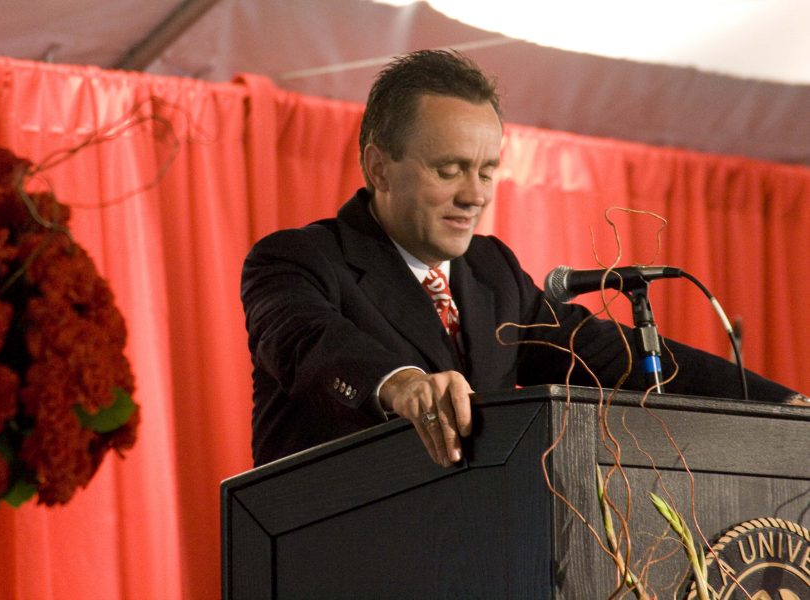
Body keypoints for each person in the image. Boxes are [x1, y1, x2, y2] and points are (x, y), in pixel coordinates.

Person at [241, 49, 805, 468]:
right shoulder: (298, 260)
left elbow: (606, 354)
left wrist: (785, 406)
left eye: (487, 170)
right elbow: (307, 341)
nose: (475, 194)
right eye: (449, 169)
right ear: (380, 167)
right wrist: (402, 382)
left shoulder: (491, 273)